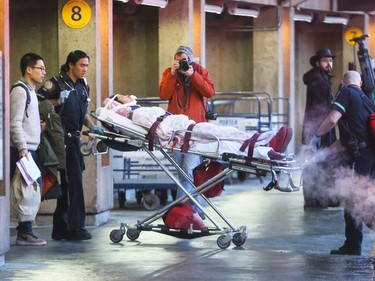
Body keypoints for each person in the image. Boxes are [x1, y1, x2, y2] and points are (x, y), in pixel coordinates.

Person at [37, 50, 103, 241]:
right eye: (82, 65)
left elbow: (82, 112)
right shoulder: (55, 83)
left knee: (70, 182)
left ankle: (60, 228)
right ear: (70, 65)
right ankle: (76, 227)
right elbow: (37, 101)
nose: (85, 69)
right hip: (60, 138)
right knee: (73, 182)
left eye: (87, 66)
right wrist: (57, 100)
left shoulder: (83, 85)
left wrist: (92, 127)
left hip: (75, 139)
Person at [312, 70, 375, 255]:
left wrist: (316, 135)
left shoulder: (347, 93)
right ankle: (352, 244)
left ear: (343, 83)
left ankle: (353, 244)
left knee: (357, 200)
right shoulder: (367, 100)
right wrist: (324, 153)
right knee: (351, 198)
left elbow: (332, 119)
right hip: (369, 155)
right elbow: (347, 138)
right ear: (361, 83)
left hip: (360, 157)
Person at [159, 46, 215, 215]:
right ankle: (197, 208)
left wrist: (192, 75)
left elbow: (210, 92)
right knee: (183, 172)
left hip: (194, 132)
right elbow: (163, 95)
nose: (181, 64)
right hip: (175, 131)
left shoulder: (199, 71)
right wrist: (173, 75)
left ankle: (182, 211)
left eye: (184, 61)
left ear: (190, 60)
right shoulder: (169, 73)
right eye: (178, 61)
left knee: (187, 171)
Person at [10, 53, 47, 246]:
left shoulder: (31, 90)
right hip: (23, 151)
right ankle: (24, 234)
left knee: (32, 191)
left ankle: (25, 232)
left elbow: (24, 120)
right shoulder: (20, 90)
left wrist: (36, 126)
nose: (44, 72)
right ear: (29, 69)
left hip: (31, 148)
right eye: (40, 68)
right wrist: (23, 148)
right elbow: (14, 123)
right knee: (26, 192)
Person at [302, 48, 338, 208]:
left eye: (330, 60)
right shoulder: (317, 77)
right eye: (325, 60)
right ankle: (316, 200)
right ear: (318, 63)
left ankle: (318, 199)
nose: (329, 63)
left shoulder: (320, 77)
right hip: (318, 128)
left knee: (317, 162)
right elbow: (322, 105)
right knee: (317, 163)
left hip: (318, 127)